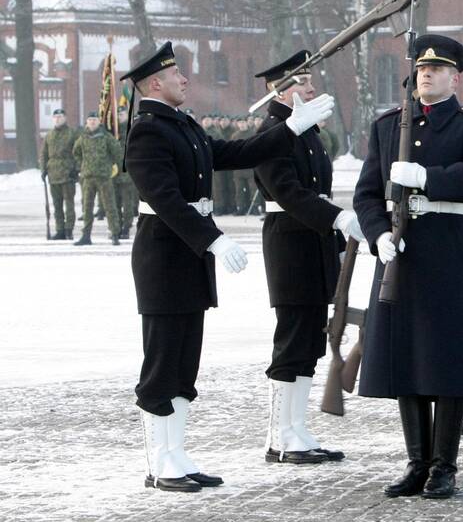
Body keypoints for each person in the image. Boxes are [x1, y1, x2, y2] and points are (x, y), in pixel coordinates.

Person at [123, 41, 332, 492]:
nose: (184, 79)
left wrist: (291, 128)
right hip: (164, 254)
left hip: (187, 255)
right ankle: (159, 462)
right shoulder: (148, 130)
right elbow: (164, 198)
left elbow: (234, 154)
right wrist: (212, 239)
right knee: (163, 360)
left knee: (185, 360)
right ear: (155, 83)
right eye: (176, 73)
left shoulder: (182, 125)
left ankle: (176, 453)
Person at [354, 35, 463, 499]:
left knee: (447, 362)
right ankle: (417, 462)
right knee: (406, 359)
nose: (426, 75)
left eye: (436, 70)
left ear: (455, 77)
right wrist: (377, 234)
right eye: (421, 69)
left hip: (447, 258)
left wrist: (427, 179)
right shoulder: (388, 126)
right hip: (400, 256)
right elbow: (365, 193)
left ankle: (445, 465)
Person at [253, 51, 358, 464]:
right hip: (290, 246)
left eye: (310, 80)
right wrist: (336, 218)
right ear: (275, 91)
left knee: (312, 341)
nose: (311, 88)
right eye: (301, 82)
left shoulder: (308, 133)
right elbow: (289, 193)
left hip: (315, 245)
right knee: (292, 341)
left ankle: (296, 429)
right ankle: (279, 436)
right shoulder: (272, 132)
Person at [72, 111, 123, 246]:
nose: (92, 122)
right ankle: (86, 235)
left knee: (109, 206)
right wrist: (81, 165)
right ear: (87, 122)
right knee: (87, 208)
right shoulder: (83, 138)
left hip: (104, 177)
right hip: (88, 177)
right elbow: (76, 152)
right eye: (90, 120)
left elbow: (117, 152)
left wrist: (115, 167)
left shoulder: (106, 137)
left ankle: (114, 233)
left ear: (99, 122)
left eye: (94, 120)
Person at [41, 108, 79, 240]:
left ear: (65, 118)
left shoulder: (72, 134)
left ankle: (69, 229)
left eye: (60, 116)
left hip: (67, 174)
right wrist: (43, 170)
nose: (58, 119)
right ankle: (60, 230)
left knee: (69, 204)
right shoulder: (49, 135)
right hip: (53, 175)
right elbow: (44, 154)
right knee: (57, 205)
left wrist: (75, 170)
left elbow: (77, 154)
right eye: (55, 117)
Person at [114, 108, 139, 239]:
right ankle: (116, 226)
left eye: (122, 114)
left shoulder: (132, 131)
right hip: (114, 173)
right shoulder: (113, 131)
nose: (119, 117)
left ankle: (126, 227)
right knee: (116, 202)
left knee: (127, 202)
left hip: (127, 172)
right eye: (118, 114)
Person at [231, 116, 257, 215]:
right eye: (239, 122)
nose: (241, 124)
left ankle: (254, 207)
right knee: (239, 190)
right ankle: (241, 207)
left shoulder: (252, 134)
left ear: (247, 123)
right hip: (238, 167)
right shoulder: (234, 135)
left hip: (250, 166)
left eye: (243, 122)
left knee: (253, 188)